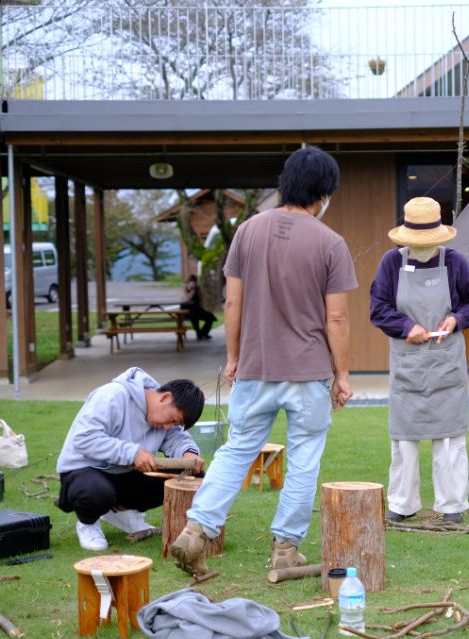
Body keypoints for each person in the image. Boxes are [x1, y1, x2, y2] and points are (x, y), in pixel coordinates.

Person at [170, 146, 357, 581]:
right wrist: (343, 376)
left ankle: (196, 530)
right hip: (308, 370)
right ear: (324, 192)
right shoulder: (330, 242)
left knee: (236, 450)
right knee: (304, 458)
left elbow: (231, 301)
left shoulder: (247, 231)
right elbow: (337, 317)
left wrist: (233, 357)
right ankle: (285, 551)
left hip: (254, 366)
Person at [369, 197, 469, 524]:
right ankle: (402, 503)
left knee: (449, 438)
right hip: (407, 363)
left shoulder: (456, 263)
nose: (422, 248)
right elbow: (378, 310)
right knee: (404, 440)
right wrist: (407, 326)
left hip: (446, 362)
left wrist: (456, 319)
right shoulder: (390, 264)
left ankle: (452, 505)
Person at [56, 367, 205, 551]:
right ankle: (88, 523)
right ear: (165, 397)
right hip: (84, 470)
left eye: (175, 424)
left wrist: (188, 454)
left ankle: (122, 512)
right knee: (97, 492)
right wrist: (133, 453)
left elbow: (176, 438)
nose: (168, 427)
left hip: (124, 474)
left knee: (191, 474)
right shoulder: (113, 394)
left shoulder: (163, 415)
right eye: (173, 420)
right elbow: (85, 438)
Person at [181, 273, 217, 340]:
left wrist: (197, 290)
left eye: (194, 282)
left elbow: (201, 300)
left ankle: (203, 333)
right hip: (187, 311)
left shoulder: (198, 289)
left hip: (197, 310)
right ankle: (199, 333)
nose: (192, 284)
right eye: (191, 282)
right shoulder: (186, 288)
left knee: (210, 317)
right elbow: (185, 300)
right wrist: (191, 291)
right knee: (193, 316)